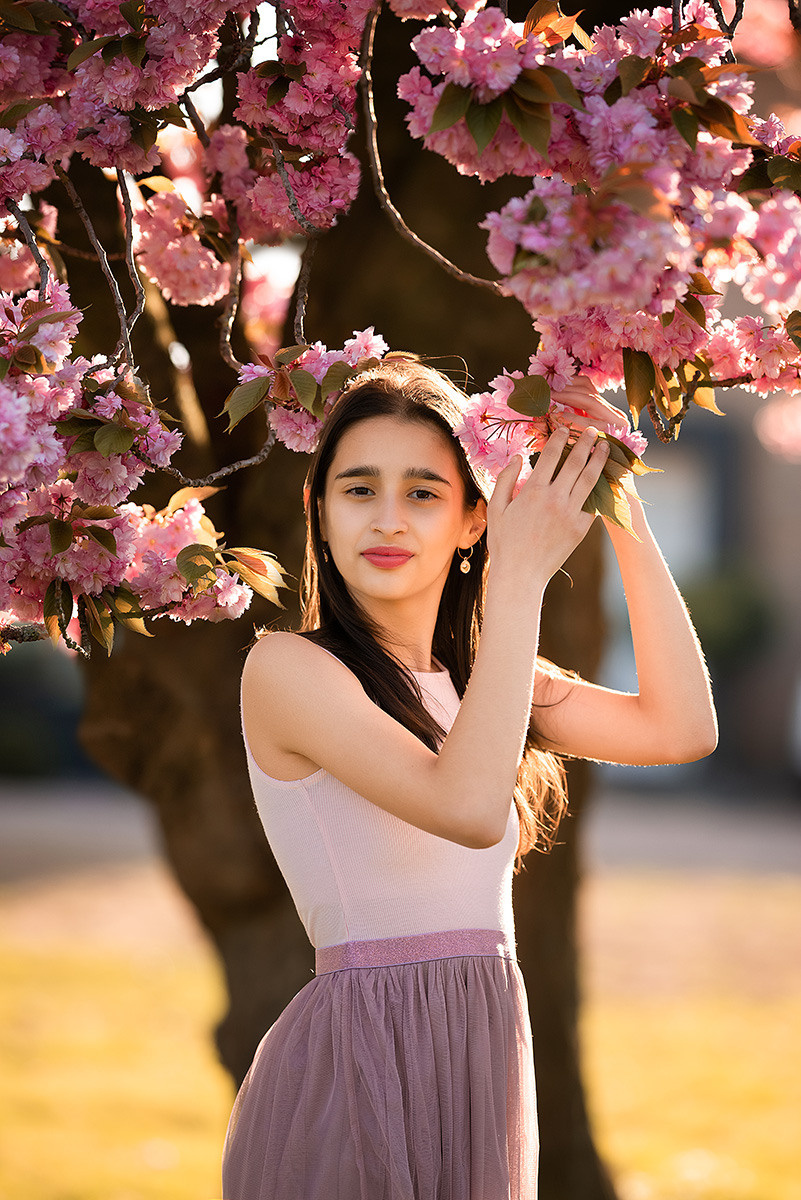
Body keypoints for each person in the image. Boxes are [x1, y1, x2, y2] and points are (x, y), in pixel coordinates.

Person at [221, 358, 717, 1200]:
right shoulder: (288, 670)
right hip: (361, 1054)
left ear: (470, 519)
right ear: (319, 513)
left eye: (422, 492)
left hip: (479, 1043)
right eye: (357, 490)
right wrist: (517, 578)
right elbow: (468, 808)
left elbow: (680, 729)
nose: (387, 519)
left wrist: (616, 499)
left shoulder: (485, 689)